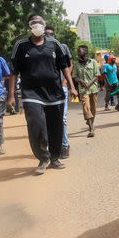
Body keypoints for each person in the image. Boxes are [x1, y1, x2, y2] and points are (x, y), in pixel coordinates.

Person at [9, 14, 78, 176]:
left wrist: (72, 86)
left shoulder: (55, 44)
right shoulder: (21, 46)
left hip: (54, 93)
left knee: (56, 127)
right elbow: (13, 71)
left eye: (40, 22)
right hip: (31, 93)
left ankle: (54, 158)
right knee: (37, 125)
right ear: (29, 26)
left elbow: (65, 66)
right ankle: (43, 158)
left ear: (44, 24)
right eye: (34, 22)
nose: (37, 25)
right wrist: (11, 95)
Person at [45, 26, 73, 159]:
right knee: (47, 120)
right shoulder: (40, 48)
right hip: (47, 90)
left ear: (54, 34)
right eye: (46, 34)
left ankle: (65, 146)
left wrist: (66, 82)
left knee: (62, 118)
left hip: (61, 88)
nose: (49, 36)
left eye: (51, 34)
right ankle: (51, 147)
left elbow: (69, 64)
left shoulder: (62, 46)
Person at [73, 44, 99, 137]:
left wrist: (89, 83)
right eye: (77, 51)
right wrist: (80, 80)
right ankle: (91, 128)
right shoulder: (76, 64)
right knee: (86, 107)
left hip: (93, 88)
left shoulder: (93, 62)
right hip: (83, 89)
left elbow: (96, 75)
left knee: (93, 108)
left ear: (85, 52)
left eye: (79, 51)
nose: (78, 53)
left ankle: (90, 122)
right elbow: (74, 76)